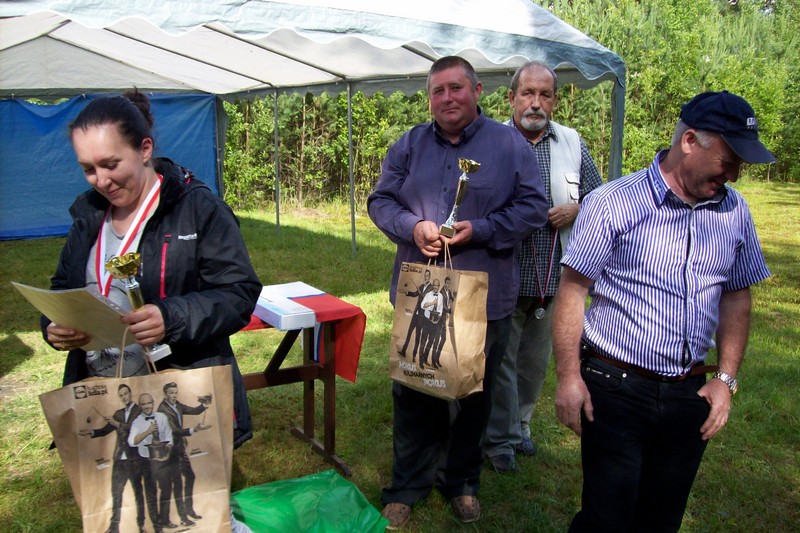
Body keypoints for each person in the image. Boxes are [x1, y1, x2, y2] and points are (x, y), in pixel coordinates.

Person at [552, 90, 774, 532]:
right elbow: (574, 290)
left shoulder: (734, 210)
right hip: (615, 389)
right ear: (690, 140)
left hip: (688, 394)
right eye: (729, 159)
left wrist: (725, 379)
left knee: (662, 518)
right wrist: (569, 378)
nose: (734, 174)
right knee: (607, 519)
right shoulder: (616, 201)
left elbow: (736, 295)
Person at [368, 56, 548, 529]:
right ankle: (407, 485)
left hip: (484, 297)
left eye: (455, 88)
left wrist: (481, 230)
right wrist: (413, 226)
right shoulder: (408, 145)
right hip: (420, 293)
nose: (447, 98)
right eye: (437, 91)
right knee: (414, 389)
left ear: (477, 90)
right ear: (429, 97)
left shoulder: (509, 145)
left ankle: (462, 482)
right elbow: (380, 201)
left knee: (473, 396)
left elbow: (533, 208)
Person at [39, 89, 261, 449]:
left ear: (144, 149)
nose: (101, 180)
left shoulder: (198, 208)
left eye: (111, 165)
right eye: (88, 169)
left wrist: (170, 316)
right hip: (108, 399)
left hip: (179, 388)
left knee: (190, 500)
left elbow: (239, 293)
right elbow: (63, 285)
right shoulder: (88, 214)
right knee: (118, 500)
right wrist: (53, 326)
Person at [484, 61, 603, 473]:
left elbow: (601, 198)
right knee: (500, 362)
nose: (536, 103)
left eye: (545, 95)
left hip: (554, 276)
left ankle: (521, 425)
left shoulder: (572, 142)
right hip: (502, 274)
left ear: (554, 100)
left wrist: (577, 207)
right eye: (528, 93)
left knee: (534, 361)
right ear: (512, 97)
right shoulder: (491, 141)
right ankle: (499, 440)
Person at [79, 383, 147, 533]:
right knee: (116, 492)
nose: (124, 397)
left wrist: (117, 424)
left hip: (135, 459)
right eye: (121, 395)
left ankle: (141, 525)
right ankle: (114, 527)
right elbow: (105, 431)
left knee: (138, 492)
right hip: (119, 459)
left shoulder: (140, 411)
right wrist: (91, 432)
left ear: (130, 393)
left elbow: (136, 429)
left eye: (125, 394)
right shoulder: (118, 413)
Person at [158, 381, 210, 527]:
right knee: (177, 484)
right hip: (170, 450)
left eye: (175, 392)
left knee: (189, 477)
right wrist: (193, 430)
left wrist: (204, 405)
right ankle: (183, 517)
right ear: (165, 394)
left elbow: (193, 410)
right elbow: (173, 430)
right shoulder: (163, 410)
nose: (174, 395)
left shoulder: (177, 405)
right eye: (171, 393)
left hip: (179, 448)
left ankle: (188, 511)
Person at [129, 393, 174, 531]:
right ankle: (156, 525)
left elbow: (169, 436)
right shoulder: (137, 422)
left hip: (162, 459)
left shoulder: (162, 417)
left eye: (149, 403)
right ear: (140, 406)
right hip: (146, 461)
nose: (147, 406)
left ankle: (165, 519)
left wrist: (167, 448)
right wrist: (148, 431)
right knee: (151, 492)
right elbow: (131, 442)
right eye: (143, 404)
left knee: (166, 488)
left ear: (153, 403)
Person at [397, 268, 433, 361]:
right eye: (425, 276)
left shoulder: (431, 288)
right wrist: (407, 292)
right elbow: (415, 294)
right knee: (409, 333)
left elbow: (427, 300)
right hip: (416, 314)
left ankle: (414, 356)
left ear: (430, 277)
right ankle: (404, 351)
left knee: (417, 337)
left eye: (427, 276)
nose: (426, 277)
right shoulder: (421, 286)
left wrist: (420, 292)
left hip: (422, 317)